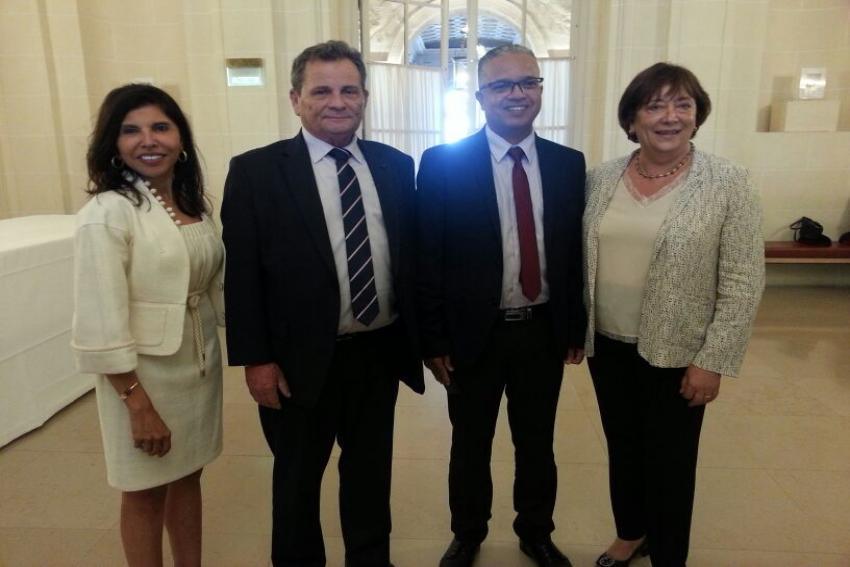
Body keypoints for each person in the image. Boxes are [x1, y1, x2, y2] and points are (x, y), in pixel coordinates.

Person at [220, 40, 424, 567]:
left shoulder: (395, 166)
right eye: (322, 91)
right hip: (296, 363)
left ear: (365, 98)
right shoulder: (256, 172)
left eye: (349, 90)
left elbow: (410, 260)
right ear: (296, 99)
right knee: (296, 482)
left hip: (376, 354)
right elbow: (242, 277)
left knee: (370, 477)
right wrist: (256, 360)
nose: (337, 102)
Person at [583, 62, 765, 567]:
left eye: (682, 104)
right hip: (608, 344)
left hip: (681, 351)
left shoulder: (728, 182)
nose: (670, 116)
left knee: (671, 462)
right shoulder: (600, 179)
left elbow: (744, 279)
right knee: (623, 446)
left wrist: (713, 359)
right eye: (655, 105)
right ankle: (630, 532)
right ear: (632, 119)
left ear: (697, 115)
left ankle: (668, 554)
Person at [417, 44, 586, 567]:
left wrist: (574, 326)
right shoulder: (443, 164)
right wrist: (433, 340)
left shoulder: (568, 164)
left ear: (540, 90)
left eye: (528, 82)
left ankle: (536, 531)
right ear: (481, 97)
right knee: (470, 442)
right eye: (502, 85)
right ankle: (467, 533)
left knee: (537, 442)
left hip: (541, 329)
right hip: (473, 334)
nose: (517, 93)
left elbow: (573, 253)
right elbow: (428, 257)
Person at [72, 83, 225, 566]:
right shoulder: (107, 213)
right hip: (142, 378)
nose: (148, 140)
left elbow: (213, 284)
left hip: (196, 365)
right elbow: (99, 320)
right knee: (143, 490)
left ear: (181, 137)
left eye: (161, 126)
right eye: (131, 130)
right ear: (112, 143)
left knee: (188, 476)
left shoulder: (191, 203)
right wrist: (138, 405)